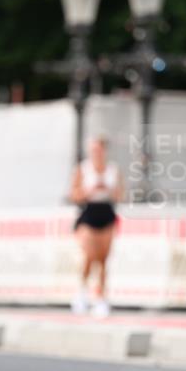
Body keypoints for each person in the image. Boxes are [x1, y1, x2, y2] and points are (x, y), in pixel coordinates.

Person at [68, 136, 122, 317]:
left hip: (106, 212)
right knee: (89, 257)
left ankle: (101, 298)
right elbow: (73, 194)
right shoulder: (83, 169)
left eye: (99, 150)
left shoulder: (113, 170)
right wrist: (88, 191)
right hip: (89, 213)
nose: (96, 153)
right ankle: (82, 293)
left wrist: (107, 189)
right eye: (93, 150)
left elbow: (120, 194)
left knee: (103, 260)